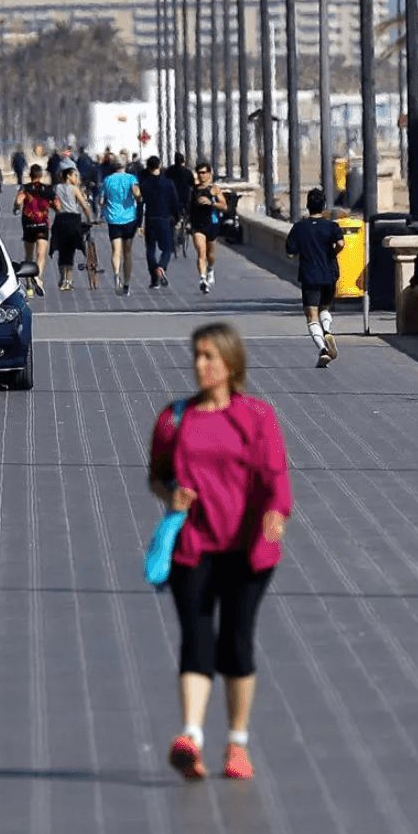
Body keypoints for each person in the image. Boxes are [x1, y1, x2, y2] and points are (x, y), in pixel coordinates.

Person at [146, 323, 291, 781]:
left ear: (230, 363)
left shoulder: (256, 416)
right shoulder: (175, 418)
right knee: (196, 637)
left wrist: (276, 514)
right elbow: (157, 474)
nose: (201, 365)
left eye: (210, 356)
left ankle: (238, 742)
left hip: (248, 550)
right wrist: (170, 495)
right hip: (194, 547)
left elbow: (276, 478)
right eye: (197, 355)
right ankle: (191, 736)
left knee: (236, 642)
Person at [284, 188, 346, 368]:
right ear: (324, 206)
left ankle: (323, 349)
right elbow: (341, 243)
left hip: (309, 275)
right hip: (330, 273)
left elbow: (290, 252)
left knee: (311, 315)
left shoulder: (299, 228)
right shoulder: (331, 226)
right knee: (325, 307)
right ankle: (327, 330)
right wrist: (332, 253)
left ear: (307, 206)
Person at [102, 159, 143, 296]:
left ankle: (116, 275)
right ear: (125, 167)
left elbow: (102, 200)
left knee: (115, 251)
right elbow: (137, 194)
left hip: (113, 219)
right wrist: (137, 198)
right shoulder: (131, 178)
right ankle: (126, 284)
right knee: (127, 253)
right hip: (129, 218)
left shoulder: (107, 180)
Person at [141, 156, 182, 288]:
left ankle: (154, 279)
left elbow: (140, 204)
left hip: (150, 218)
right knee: (167, 249)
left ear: (148, 167)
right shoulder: (168, 183)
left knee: (150, 249)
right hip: (164, 218)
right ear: (159, 166)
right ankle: (161, 266)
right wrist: (177, 217)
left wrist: (138, 224)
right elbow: (174, 201)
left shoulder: (145, 184)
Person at [51, 167, 92, 292]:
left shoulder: (55, 188)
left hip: (60, 220)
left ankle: (62, 277)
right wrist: (89, 219)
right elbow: (83, 205)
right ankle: (68, 280)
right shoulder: (74, 189)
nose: (76, 178)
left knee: (61, 250)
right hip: (73, 220)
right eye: (75, 175)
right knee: (70, 250)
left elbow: (52, 203)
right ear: (68, 176)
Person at [14, 170, 54, 293]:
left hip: (28, 224)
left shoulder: (25, 188)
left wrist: (15, 207)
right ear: (40, 175)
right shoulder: (47, 189)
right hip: (42, 224)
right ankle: (38, 277)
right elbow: (56, 204)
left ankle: (29, 287)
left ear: (30, 175)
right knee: (41, 254)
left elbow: (18, 201)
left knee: (29, 256)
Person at [188, 165, 226, 293]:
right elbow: (189, 207)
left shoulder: (214, 189)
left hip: (211, 224)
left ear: (210, 173)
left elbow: (224, 206)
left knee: (211, 254)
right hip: (197, 225)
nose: (201, 175)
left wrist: (211, 203)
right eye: (199, 173)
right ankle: (203, 279)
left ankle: (210, 269)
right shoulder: (193, 190)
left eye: (204, 173)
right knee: (201, 252)